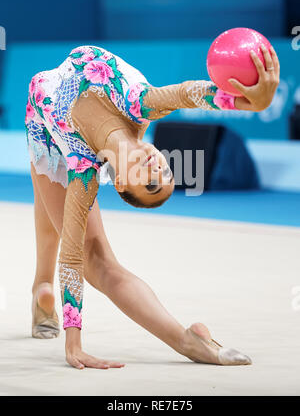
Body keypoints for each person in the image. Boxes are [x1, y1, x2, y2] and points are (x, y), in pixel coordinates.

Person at [26, 44, 279, 369]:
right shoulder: (138, 104)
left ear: (118, 183)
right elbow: (189, 94)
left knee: (91, 253)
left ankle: (187, 341)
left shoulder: (83, 170)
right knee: (50, 212)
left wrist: (73, 343)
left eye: (150, 183)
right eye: (166, 171)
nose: (157, 169)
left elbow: (72, 257)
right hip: (56, 119)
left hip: (43, 129)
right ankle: (42, 289)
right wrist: (247, 103)